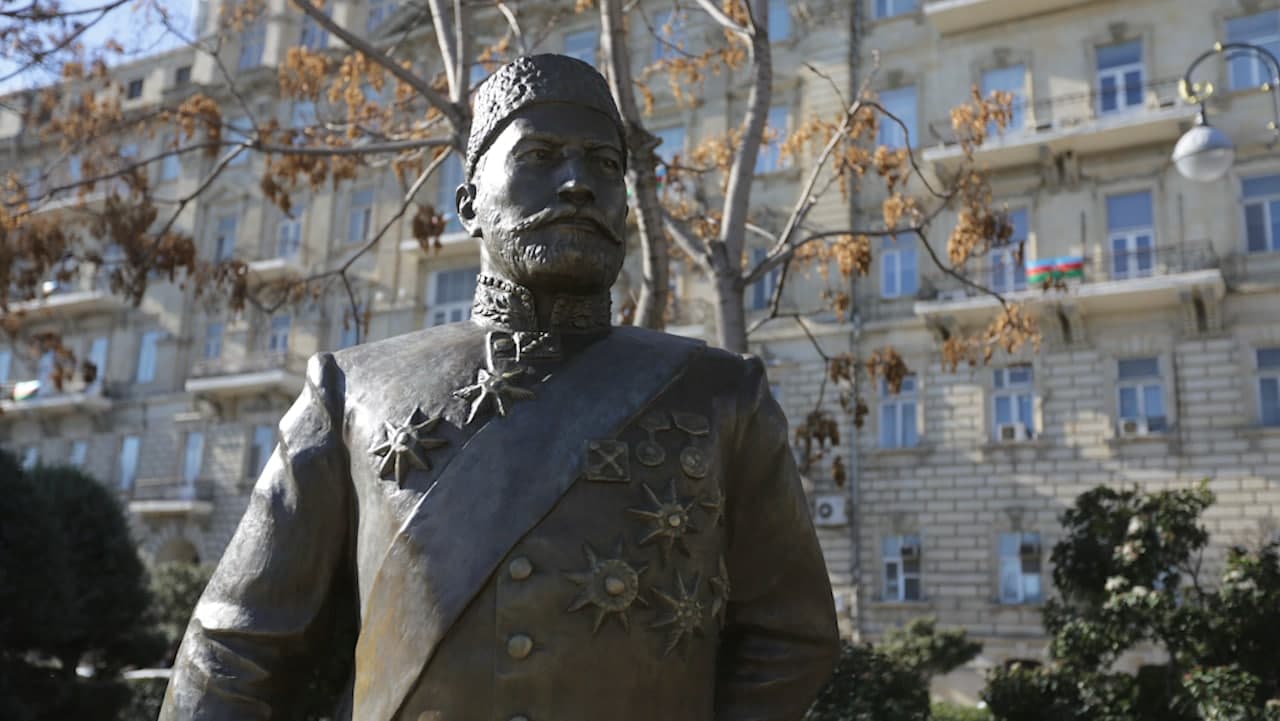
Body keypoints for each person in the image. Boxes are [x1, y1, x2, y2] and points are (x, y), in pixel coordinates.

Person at [160, 53, 838, 721]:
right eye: (540, 155)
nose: (579, 184)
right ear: (468, 205)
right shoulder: (351, 389)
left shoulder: (720, 392)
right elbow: (233, 649)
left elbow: (791, 633)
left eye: (605, 165)